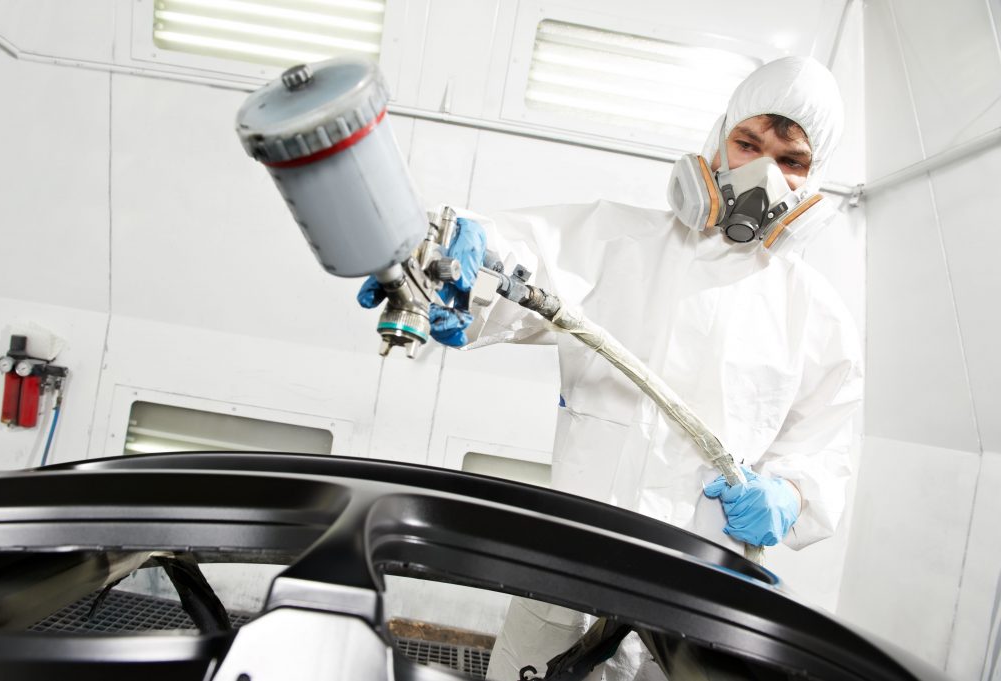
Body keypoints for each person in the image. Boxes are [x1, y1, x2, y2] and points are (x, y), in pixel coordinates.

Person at [361, 55, 863, 680]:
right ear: (716, 145)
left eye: (792, 161)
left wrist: (788, 494)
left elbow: (824, 447)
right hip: (566, 564)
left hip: (694, 592)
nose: (764, 173)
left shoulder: (814, 315)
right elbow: (524, 260)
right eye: (747, 144)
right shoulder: (620, 242)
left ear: (815, 182)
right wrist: (454, 262)